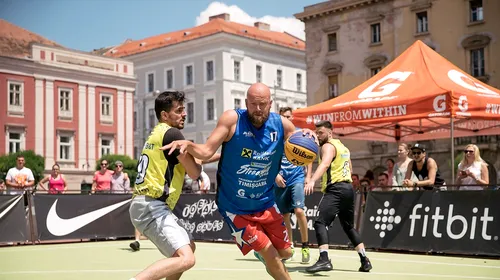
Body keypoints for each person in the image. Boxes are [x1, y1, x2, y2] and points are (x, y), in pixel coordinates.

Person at [162, 83, 312, 280]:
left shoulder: (281, 124)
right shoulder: (232, 120)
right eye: (253, 104)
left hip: (265, 202)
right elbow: (207, 151)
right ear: (245, 103)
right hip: (234, 207)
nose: (258, 109)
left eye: (263, 104)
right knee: (271, 254)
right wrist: (189, 145)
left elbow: (300, 141)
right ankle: (264, 254)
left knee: (286, 253)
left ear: (271, 104)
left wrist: (309, 136)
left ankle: (262, 254)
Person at [128, 91, 202, 280]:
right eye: (179, 110)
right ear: (164, 115)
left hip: (146, 204)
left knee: (188, 247)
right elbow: (195, 172)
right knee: (187, 258)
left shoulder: (159, 133)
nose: (184, 114)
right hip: (151, 205)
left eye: (183, 110)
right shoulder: (173, 134)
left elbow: (196, 160)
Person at [304, 120, 372, 273]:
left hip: (336, 188)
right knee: (348, 226)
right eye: (316, 132)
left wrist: (312, 180)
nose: (318, 135)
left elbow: (325, 164)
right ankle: (365, 260)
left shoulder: (328, 146)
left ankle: (324, 259)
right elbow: (350, 168)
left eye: (320, 132)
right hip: (348, 188)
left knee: (320, 222)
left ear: (329, 133)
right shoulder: (344, 147)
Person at [274, 106, 310, 264]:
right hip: (281, 179)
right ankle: (290, 246)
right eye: (283, 117)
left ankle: (305, 246)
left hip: (297, 176)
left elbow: (310, 156)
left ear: (292, 117)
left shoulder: (300, 133)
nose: (286, 119)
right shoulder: (276, 135)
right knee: (285, 216)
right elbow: (269, 157)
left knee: (299, 211)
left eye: (288, 116)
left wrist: (308, 177)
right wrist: (275, 175)